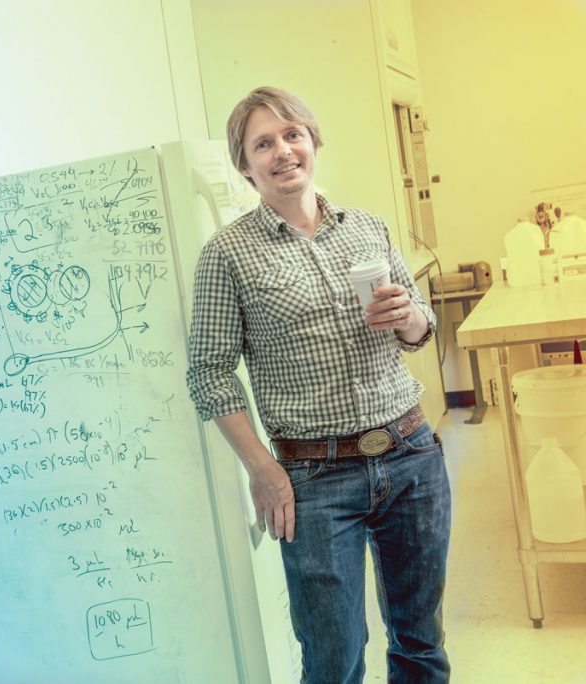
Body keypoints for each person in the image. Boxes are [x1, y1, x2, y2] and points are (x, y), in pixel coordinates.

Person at [186, 86, 451, 683]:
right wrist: (262, 467)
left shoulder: (368, 229)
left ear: (312, 143)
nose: (282, 151)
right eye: (263, 143)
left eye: (291, 134)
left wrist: (409, 314)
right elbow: (209, 371)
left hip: (410, 457)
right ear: (245, 165)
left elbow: (420, 330)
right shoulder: (227, 255)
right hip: (314, 479)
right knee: (333, 656)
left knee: (421, 639)